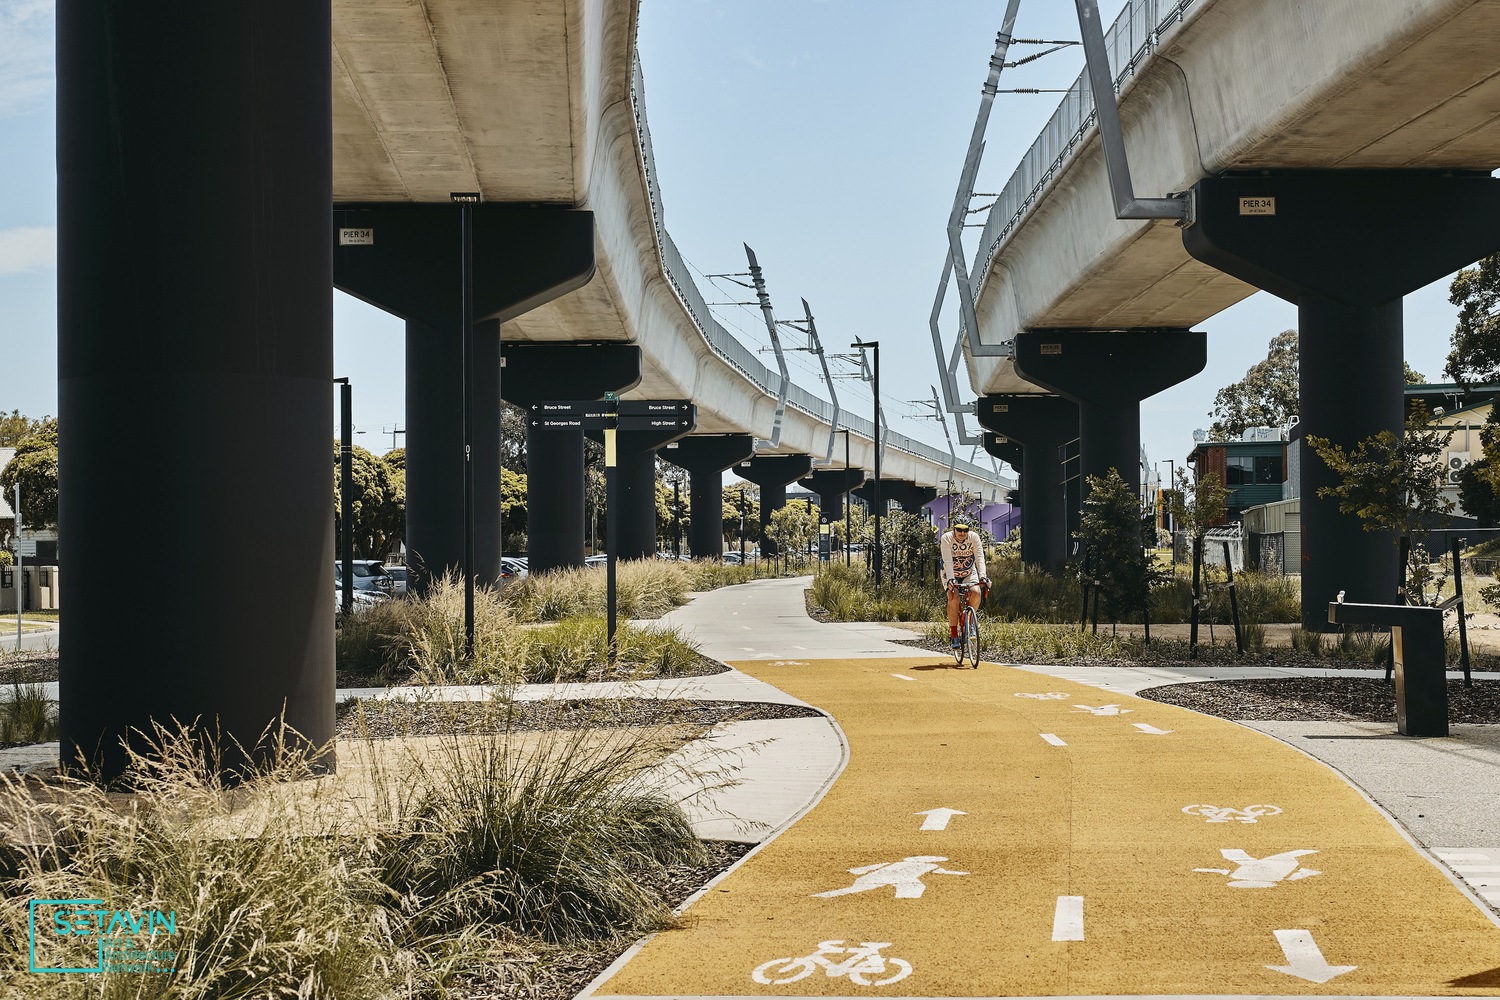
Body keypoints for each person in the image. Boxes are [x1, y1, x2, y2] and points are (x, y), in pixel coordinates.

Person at [940, 522, 988, 648]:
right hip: (950, 572)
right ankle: (954, 634)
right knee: (953, 596)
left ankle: (970, 622)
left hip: (968, 571)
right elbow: (948, 561)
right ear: (953, 529)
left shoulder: (974, 538)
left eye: (965, 530)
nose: (962, 533)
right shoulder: (946, 538)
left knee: (976, 592)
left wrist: (983, 576)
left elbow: (979, 557)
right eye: (959, 530)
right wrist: (951, 579)